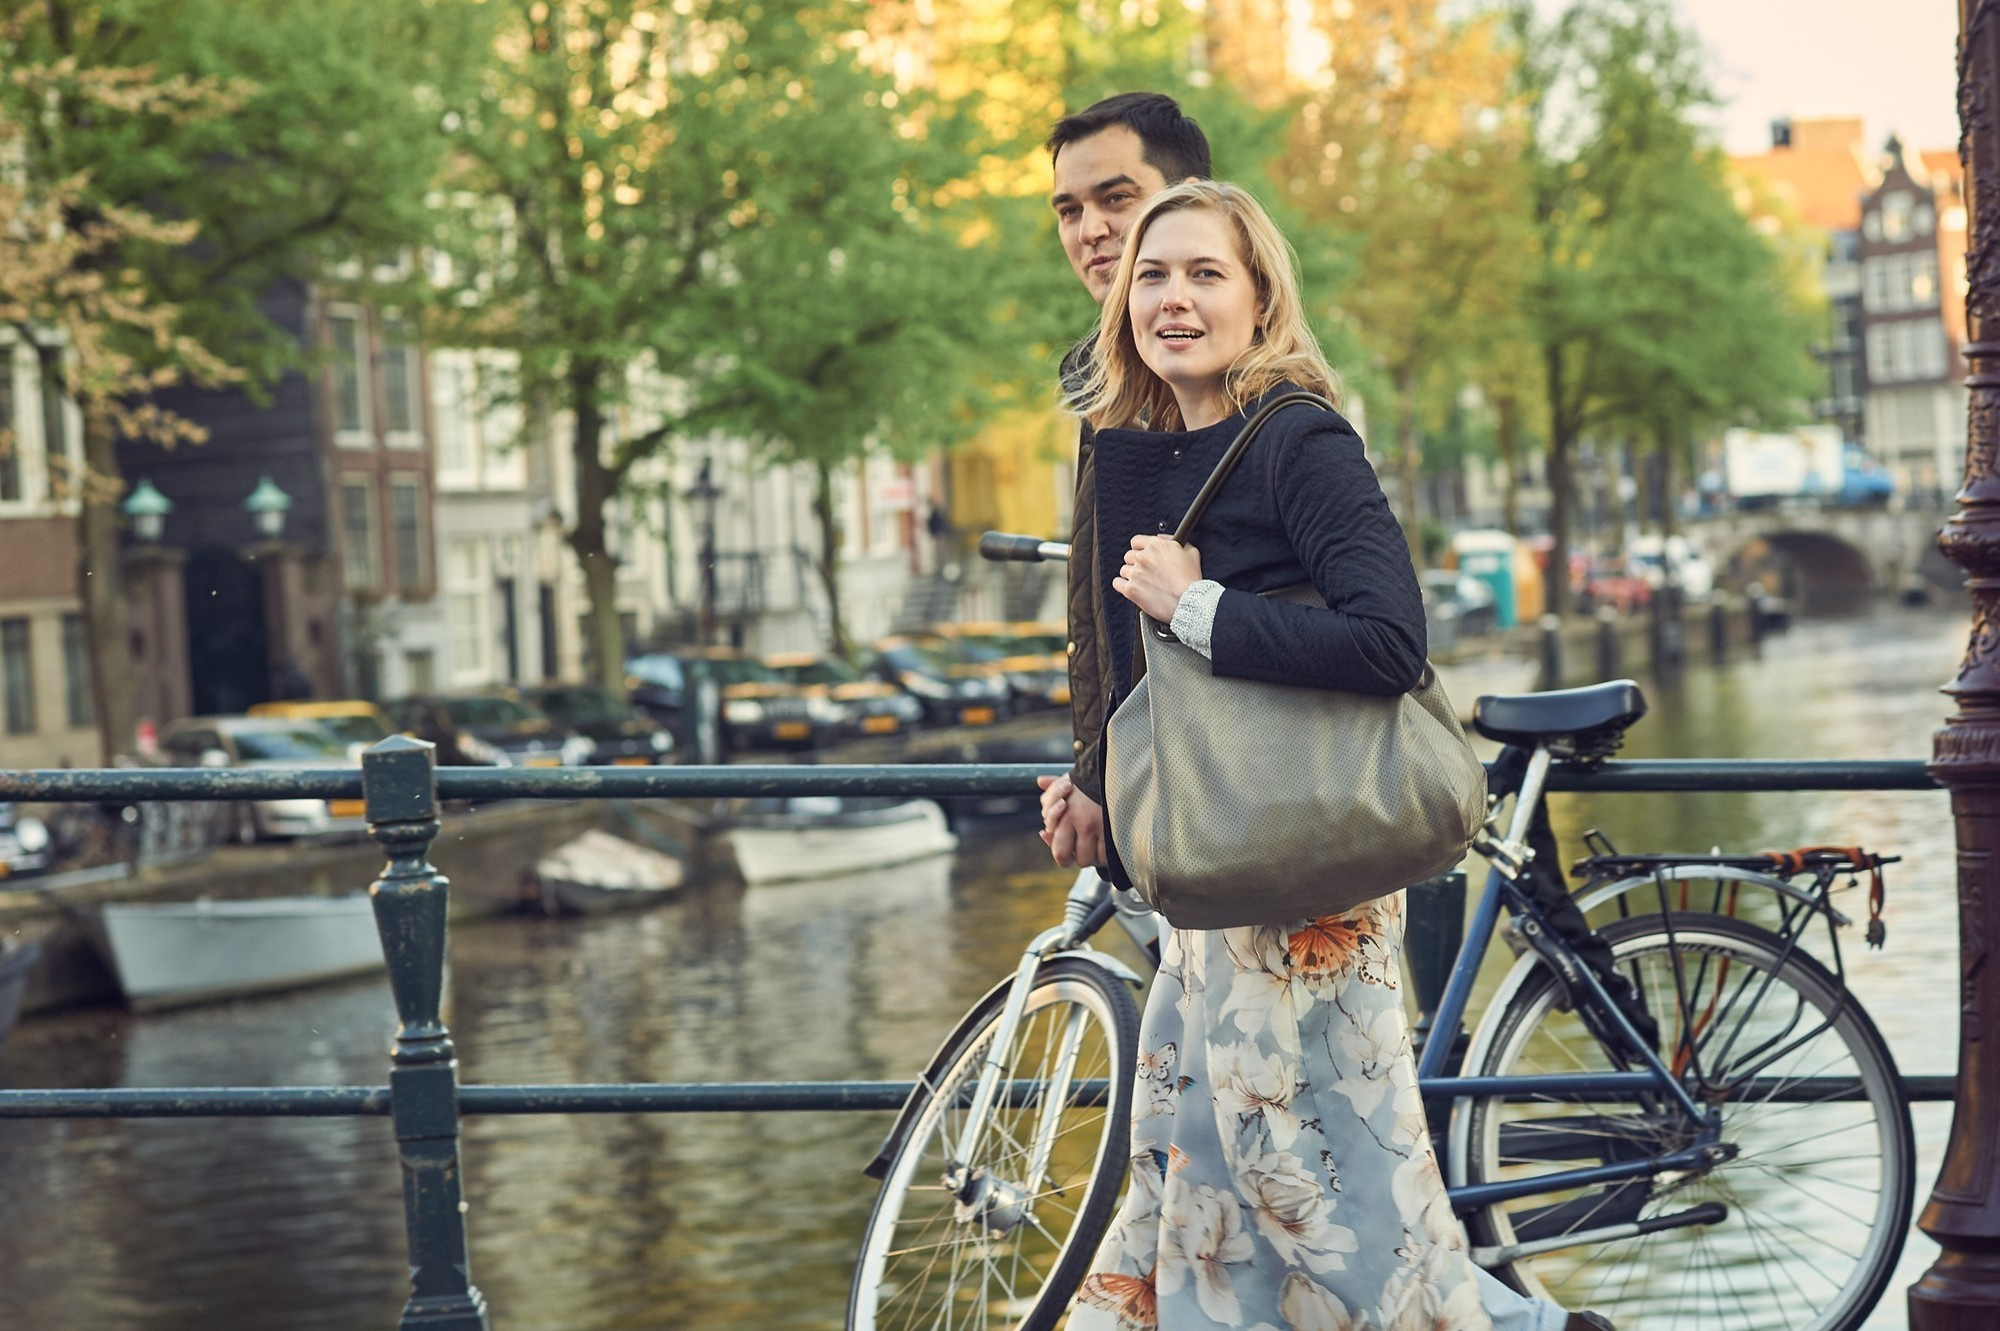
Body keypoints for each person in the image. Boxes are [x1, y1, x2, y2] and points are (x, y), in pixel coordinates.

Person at [1055, 178, 1615, 1331]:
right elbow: (1121, 658)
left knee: (1329, 1202)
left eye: (1205, 274)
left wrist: (1199, 603)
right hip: (1215, 884)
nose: (1171, 297)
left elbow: (1386, 639)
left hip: (1306, 876)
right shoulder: (1139, 446)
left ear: (1260, 298)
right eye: (1151, 276)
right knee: (1206, 1188)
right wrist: (1092, 779)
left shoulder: (1295, 437)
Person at [1039, 91, 1212, 873]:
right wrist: (1096, 773)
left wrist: (1111, 778)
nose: (1090, 230)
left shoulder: (1225, 376)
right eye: (1069, 209)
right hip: (1175, 802)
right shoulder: (1109, 381)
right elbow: (1108, 603)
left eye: (1116, 198)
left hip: (1245, 808)